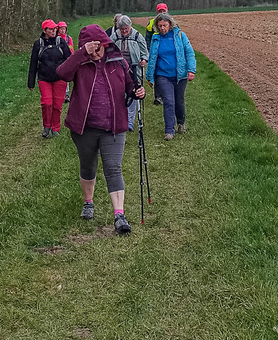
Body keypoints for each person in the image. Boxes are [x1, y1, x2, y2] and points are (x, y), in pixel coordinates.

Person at [56, 24, 146, 233]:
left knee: (113, 168)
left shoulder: (118, 61)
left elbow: (129, 85)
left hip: (114, 126)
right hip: (85, 127)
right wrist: (81, 54)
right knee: (88, 166)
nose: (95, 53)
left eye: (98, 48)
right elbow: (62, 73)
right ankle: (88, 202)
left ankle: (119, 215)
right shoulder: (80, 63)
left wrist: (136, 91)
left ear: (105, 44)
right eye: (91, 49)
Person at [145, 12, 196, 141]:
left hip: (180, 75)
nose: (162, 28)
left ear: (170, 24)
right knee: (168, 101)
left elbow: (189, 53)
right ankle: (169, 130)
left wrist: (191, 70)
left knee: (179, 102)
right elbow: (152, 58)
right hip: (163, 75)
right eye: (160, 26)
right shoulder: (156, 38)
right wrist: (150, 76)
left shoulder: (180, 35)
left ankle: (181, 123)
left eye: (165, 25)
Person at [28, 19, 69, 137]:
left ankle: (55, 128)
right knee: (47, 103)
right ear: (45, 30)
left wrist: (72, 75)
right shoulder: (38, 44)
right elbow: (33, 63)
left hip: (59, 79)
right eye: (50, 29)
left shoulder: (61, 42)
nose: (53, 31)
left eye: (55, 29)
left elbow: (69, 59)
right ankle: (46, 126)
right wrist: (31, 82)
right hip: (44, 78)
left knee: (57, 105)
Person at [107, 15, 148, 132]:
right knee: (119, 93)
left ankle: (130, 122)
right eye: (122, 29)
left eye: (126, 29)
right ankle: (120, 119)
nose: (124, 31)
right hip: (118, 69)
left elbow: (145, 52)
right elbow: (108, 51)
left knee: (133, 94)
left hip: (134, 69)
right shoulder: (114, 37)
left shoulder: (137, 36)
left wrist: (144, 60)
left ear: (130, 26)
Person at [56, 20, 74, 103]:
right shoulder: (55, 38)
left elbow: (71, 48)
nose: (63, 31)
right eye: (61, 29)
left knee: (65, 76)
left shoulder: (68, 38)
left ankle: (66, 94)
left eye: (64, 29)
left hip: (66, 60)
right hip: (57, 60)